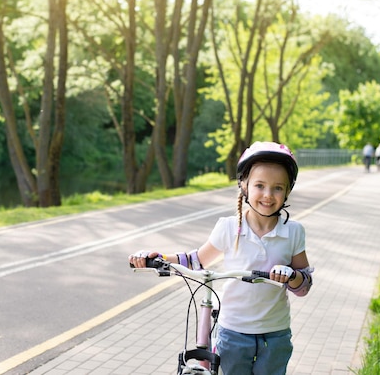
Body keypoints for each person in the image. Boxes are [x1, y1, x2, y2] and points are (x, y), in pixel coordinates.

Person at [129, 141, 313, 375]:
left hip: (274, 334)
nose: (268, 195)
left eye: (278, 188)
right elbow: (196, 260)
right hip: (233, 331)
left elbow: (304, 286)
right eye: (260, 185)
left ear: (288, 190)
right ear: (244, 186)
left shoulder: (293, 231)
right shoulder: (228, 227)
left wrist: (292, 276)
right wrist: (158, 257)